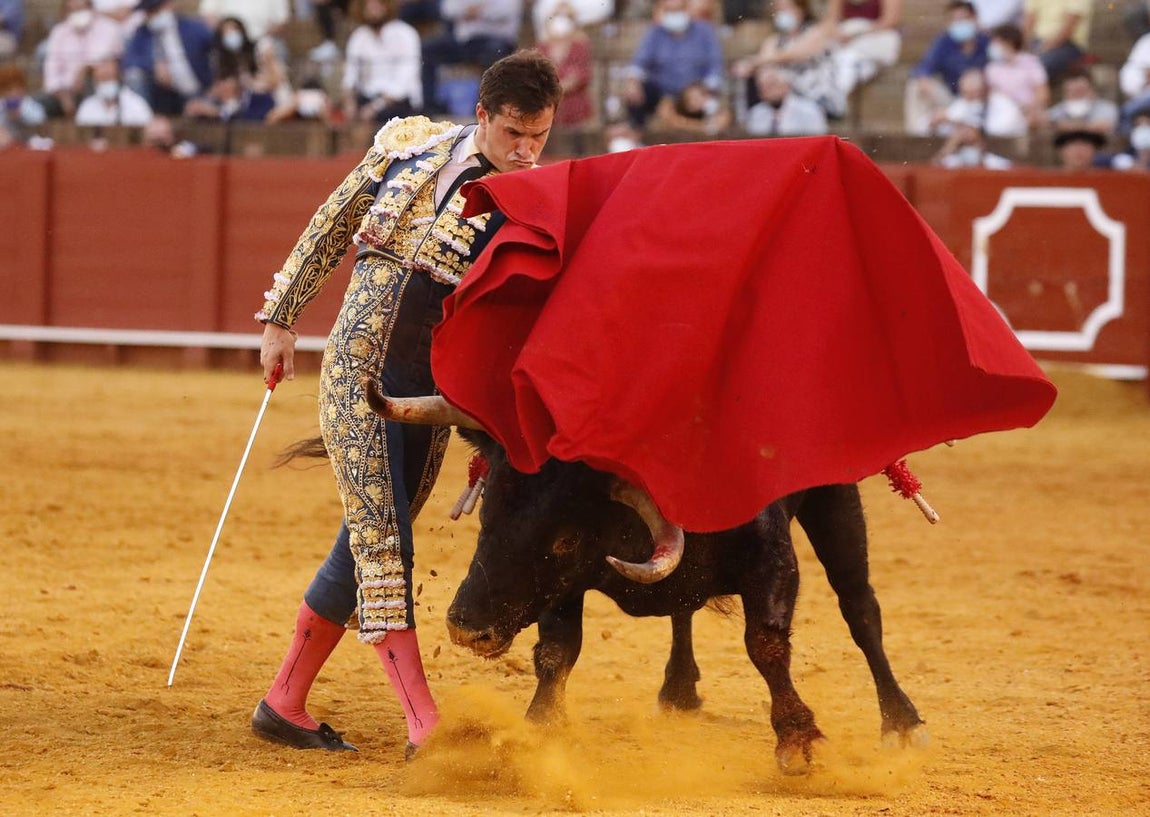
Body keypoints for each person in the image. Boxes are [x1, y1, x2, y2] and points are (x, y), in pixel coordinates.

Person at [250, 50, 563, 758]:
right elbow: (335, 221)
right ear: (482, 115)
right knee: (387, 543)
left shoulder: (536, 201)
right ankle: (427, 725)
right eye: (514, 133)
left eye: (540, 136)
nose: (527, 151)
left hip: (432, 397)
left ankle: (283, 701)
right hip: (357, 372)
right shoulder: (409, 143)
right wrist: (281, 318)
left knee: (362, 546)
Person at [733, 0, 844, 119]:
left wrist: (754, 62)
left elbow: (796, 53)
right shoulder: (774, 40)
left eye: (787, 8)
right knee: (759, 77)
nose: (783, 13)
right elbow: (765, 60)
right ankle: (750, 123)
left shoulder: (816, 32)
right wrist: (750, 66)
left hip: (817, 95)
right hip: (784, 97)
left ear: (801, 10)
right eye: (778, 9)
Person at [622, 0, 724, 128]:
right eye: (670, 10)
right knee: (637, 93)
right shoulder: (655, 32)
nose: (674, 14)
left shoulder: (705, 32)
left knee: (711, 107)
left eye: (678, 9)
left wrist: (704, 91)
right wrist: (633, 82)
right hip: (663, 95)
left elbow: (715, 67)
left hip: (696, 94)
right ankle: (636, 135)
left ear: (688, 9)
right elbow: (639, 62)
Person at [420, 0, 522, 117]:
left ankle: (487, 108)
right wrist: (477, 10)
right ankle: (430, 108)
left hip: (496, 39)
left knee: (493, 55)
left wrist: (473, 11)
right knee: (428, 50)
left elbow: (506, 10)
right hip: (465, 40)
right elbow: (448, 8)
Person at [904, 1, 989, 135]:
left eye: (963, 19)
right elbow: (925, 66)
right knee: (916, 85)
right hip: (953, 99)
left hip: (982, 101)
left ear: (974, 19)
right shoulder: (945, 42)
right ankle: (915, 136)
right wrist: (923, 78)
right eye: (954, 20)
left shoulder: (987, 42)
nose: (959, 23)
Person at [121, 0, 214, 115]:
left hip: (199, 90)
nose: (152, 16)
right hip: (166, 96)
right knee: (134, 76)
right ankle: (144, 121)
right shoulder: (143, 34)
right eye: (149, 12)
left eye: (156, 10)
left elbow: (218, 51)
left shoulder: (194, 28)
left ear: (169, 5)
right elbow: (129, 62)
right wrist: (153, 66)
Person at [40, 0, 125, 119]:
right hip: (64, 91)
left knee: (90, 79)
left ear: (91, 7)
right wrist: (63, 96)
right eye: (72, 10)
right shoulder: (59, 32)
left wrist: (84, 69)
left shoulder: (110, 28)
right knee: (36, 106)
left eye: (80, 9)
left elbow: (107, 61)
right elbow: (51, 71)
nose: (77, 13)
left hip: (95, 86)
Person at [341, 0, 422, 123]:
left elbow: (403, 84)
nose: (372, 9)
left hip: (399, 102)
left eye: (377, 5)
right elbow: (350, 75)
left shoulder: (405, 34)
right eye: (368, 5)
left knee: (367, 123)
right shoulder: (359, 36)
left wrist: (375, 107)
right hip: (367, 97)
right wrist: (349, 102)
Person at [534, 2, 595, 129]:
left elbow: (583, 74)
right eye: (557, 16)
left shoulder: (580, 46)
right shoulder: (540, 48)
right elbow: (536, 75)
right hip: (548, 102)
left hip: (574, 104)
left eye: (566, 17)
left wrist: (565, 86)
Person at [826, 0, 902, 98]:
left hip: (876, 36)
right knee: (841, 55)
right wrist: (837, 34)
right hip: (846, 38)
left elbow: (890, 21)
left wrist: (858, 34)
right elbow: (831, 20)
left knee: (848, 58)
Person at [983, 22, 1047, 136]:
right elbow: (989, 95)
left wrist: (1030, 108)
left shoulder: (1030, 62)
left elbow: (1042, 93)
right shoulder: (991, 68)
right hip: (1001, 110)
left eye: (996, 41)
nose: (992, 45)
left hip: (1026, 110)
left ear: (1009, 42)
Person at [743, 64, 827, 135]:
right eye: (762, 87)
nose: (767, 90)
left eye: (772, 84)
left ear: (786, 84)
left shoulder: (809, 110)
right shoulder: (756, 113)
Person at [1021, 0, 1092, 84]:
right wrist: (1021, 48)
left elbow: (1067, 30)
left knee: (1036, 67)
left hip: (1069, 45)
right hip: (1037, 42)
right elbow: (1028, 24)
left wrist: (1039, 50)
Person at [75, 57, 153, 126]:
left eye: (109, 78)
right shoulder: (87, 106)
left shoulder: (136, 105)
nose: (105, 83)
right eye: (101, 79)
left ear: (119, 78)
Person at [1044, 67, 1117, 137]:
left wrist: (1064, 126)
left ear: (1092, 90)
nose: (1077, 96)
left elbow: (1105, 126)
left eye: (1081, 91)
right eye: (1072, 92)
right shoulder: (1056, 111)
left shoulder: (1107, 108)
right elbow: (1047, 124)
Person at [933, 120, 1012, 168]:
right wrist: (949, 147)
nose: (966, 133)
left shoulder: (996, 162)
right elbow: (932, 169)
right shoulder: (952, 161)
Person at [1119, 30, 1150, 132]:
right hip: (1145, 97)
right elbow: (1129, 77)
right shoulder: (1146, 41)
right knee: (1129, 111)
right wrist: (1145, 79)